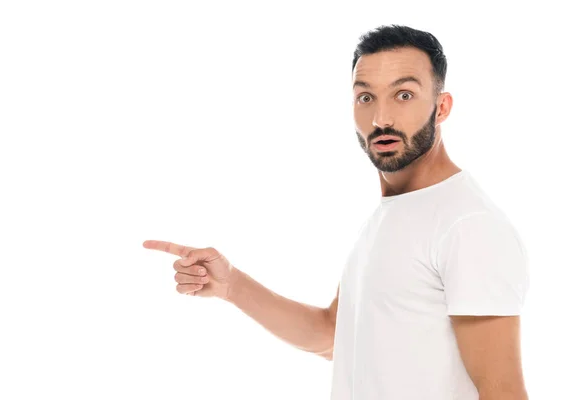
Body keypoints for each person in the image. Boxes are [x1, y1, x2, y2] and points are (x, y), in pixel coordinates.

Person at [143, 24, 530, 400]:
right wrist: (232, 287)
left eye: (404, 95)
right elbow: (333, 335)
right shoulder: (394, 213)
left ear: (441, 106)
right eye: (366, 97)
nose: (381, 119)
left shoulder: (467, 225)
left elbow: (503, 392)